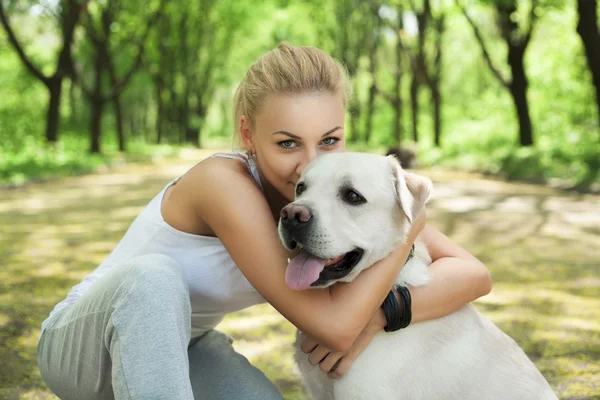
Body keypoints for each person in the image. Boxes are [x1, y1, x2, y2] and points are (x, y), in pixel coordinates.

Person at [37, 42, 492, 400]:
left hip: (185, 348)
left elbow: (474, 274)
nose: (310, 163)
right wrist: (411, 225)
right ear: (249, 136)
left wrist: (385, 313)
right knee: (153, 276)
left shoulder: (337, 198)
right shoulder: (222, 182)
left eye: (329, 139)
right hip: (84, 347)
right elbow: (334, 327)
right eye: (288, 143)